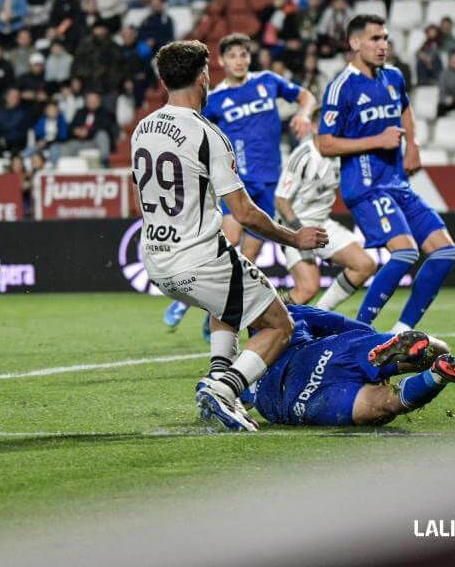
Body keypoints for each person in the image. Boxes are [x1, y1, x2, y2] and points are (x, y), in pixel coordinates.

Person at [132, 40, 327, 431]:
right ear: (203, 77)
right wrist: (295, 238)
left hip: (155, 258)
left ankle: (220, 386)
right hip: (198, 259)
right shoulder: (207, 135)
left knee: (227, 299)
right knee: (279, 325)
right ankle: (225, 388)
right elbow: (245, 213)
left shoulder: (143, 128)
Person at [163, 33, 316, 329]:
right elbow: (191, 126)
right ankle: (184, 300)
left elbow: (305, 96)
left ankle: (215, 318)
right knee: (227, 241)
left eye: (243, 54)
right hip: (237, 184)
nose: (239, 60)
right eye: (232, 56)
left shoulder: (268, 82)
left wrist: (305, 114)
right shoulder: (216, 99)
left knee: (249, 257)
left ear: (250, 57)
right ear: (221, 61)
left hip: (270, 183)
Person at [318, 14, 455, 333]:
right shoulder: (341, 87)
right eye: (375, 39)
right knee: (405, 252)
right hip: (365, 187)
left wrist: (414, 145)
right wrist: (377, 141)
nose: (383, 45)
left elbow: (405, 109)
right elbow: (325, 143)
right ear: (355, 43)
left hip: (397, 183)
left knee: (445, 251)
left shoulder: (393, 77)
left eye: (385, 38)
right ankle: (359, 330)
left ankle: (400, 332)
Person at [242, 304, 455, 427]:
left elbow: (229, 401)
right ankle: (432, 354)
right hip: (327, 353)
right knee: (428, 350)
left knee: (383, 406)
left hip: (299, 401)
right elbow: (357, 328)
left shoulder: (244, 360)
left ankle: (437, 376)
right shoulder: (293, 313)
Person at [274, 138, 377, 309]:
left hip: (322, 223)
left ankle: (320, 317)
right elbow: (281, 200)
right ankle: (263, 320)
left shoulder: (341, 152)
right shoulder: (304, 156)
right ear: (316, 128)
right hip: (293, 226)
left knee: (364, 265)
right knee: (307, 289)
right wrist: (300, 233)